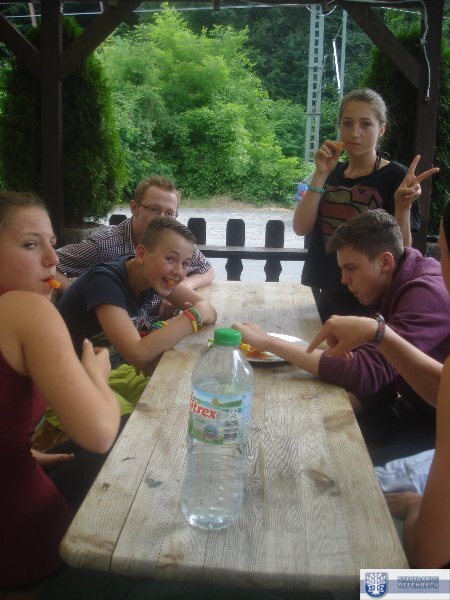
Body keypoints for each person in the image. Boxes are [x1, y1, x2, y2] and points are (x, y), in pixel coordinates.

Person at [304, 202, 450, 569]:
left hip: (430, 587)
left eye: (443, 252)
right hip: (416, 412)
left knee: (358, 575)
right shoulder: (400, 283)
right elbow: (417, 383)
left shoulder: (426, 290)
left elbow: (428, 561)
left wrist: (417, 507)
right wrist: (378, 334)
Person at [232, 209, 450, 441]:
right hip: (416, 407)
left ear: (385, 261)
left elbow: (367, 370)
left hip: (436, 428)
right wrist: (326, 414)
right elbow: (384, 376)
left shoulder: (425, 294)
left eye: (351, 268)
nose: (344, 280)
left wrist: (267, 343)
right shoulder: (394, 282)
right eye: (342, 269)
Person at [0, 191, 121, 588]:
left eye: (52, 243)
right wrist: (97, 377)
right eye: (30, 245)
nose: (53, 259)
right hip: (28, 547)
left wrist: (25, 453)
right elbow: (100, 433)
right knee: (123, 442)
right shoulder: (25, 309)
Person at [293, 87, 439, 323]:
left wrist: (402, 207)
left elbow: (402, 252)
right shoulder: (330, 171)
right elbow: (301, 227)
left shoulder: (396, 176)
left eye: (366, 124)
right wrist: (320, 174)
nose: (355, 133)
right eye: (347, 123)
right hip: (327, 292)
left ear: (382, 129)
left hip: (372, 302)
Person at [57, 217, 217, 373]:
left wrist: (188, 317)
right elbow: (138, 355)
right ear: (141, 254)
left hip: (117, 372)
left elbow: (209, 311)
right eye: (170, 259)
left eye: (185, 263)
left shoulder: (151, 273)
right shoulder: (104, 282)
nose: (178, 272)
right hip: (78, 379)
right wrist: (194, 316)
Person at [55, 175, 215, 323]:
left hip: (153, 329)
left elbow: (207, 270)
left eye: (169, 213)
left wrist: (181, 286)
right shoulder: (104, 244)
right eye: (153, 209)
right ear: (134, 208)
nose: (161, 219)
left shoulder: (174, 243)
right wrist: (82, 295)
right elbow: (51, 263)